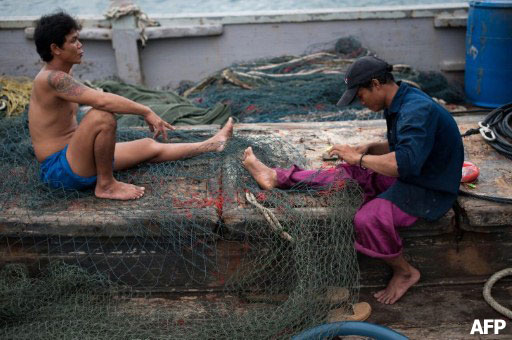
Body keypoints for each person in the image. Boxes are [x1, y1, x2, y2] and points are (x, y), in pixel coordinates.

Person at [243, 55, 464, 305]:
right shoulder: (401, 99)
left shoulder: (415, 110)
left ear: (376, 84)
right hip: (416, 171)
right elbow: (407, 146)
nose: (361, 103)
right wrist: (369, 148)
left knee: (367, 218)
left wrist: (359, 159)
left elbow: (404, 164)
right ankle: (276, 177)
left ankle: (405, 272)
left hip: (429, 188)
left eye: (360, 96)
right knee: (347, 173)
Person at [29, 12, 233, 200]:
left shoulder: (65, 75)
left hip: (77, 157)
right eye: (73, 41)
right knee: (102, 115)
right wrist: (145, 110)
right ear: (55, 49)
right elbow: (101, 101)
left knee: (148, 145)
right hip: (59, 169)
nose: (81, 45)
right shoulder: (52, 79)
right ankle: (106, 185)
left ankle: (213, 144)